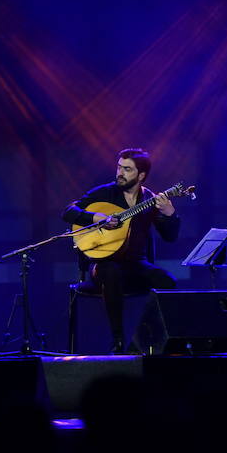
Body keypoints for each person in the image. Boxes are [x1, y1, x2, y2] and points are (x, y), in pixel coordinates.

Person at [63, 148, 180, 353]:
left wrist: (169, 214)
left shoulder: (150, 199)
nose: (120, 173)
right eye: (119, 167)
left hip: (136, 265)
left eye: (127, 169)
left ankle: (153, 339)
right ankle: (118, 341)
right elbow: (69, 211)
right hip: (103, 265)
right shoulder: (105, 193)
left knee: (167, 280)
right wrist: (96, 218)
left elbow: (170, 237)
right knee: (111, 271)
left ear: (141, 175)